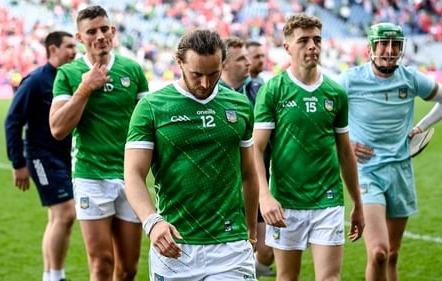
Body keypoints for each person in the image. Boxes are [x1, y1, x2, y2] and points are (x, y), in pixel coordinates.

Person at [123, 29, 259, 281]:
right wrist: (152, 222)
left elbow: (250, 174)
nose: (205, 84)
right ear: (179, 62)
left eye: (213, 74)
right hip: (174, 245)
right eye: (197, 74)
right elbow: (132, 174)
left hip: (230, 246)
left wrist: (250, 230)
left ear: (223, 64)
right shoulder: (152, 107)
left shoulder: (240, 106)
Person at [337, 22, 442, 281]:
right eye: (383, 43)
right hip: (367, 173)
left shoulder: (410, 78)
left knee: (392, 254)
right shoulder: (350, 80)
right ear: (370, 47)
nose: (389, 50)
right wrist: (345, 146)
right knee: (379, 252)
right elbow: (322, 119)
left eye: (396, 45)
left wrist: (420, 127)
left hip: (401, 172)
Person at [253, 14, 365, 281]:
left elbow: (345, 153)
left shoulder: (335, 93)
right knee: (287, 277)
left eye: (317, 39)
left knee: (330, 278)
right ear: (288, 47)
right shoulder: (273, 90)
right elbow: (255, 149)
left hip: (328, 201)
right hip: (286, 203)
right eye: (303, 40)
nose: (312, 46)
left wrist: (358, 203)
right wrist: (265, 196)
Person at [49, 5, 149, 281]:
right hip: (90, 176)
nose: (100, 35)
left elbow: (148, 125)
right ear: (80, 38)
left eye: (104, 29)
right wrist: (85, 88)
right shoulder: (69, 74)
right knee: (102, 263)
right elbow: (57, 128)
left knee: (128, 269)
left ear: (113, 32)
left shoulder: (133, 69)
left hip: (130, 177)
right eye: (91, 31)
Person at [4, 31, 77, 281]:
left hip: (65, 157)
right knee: (67, 213)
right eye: (68, 47)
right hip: (41, 156)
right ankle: (56, 277)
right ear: (53, 50)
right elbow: (13, 121)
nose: (74, 51)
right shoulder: (36, 80)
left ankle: (50, 275)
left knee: (57, 217)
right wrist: (18, 164)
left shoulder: (69, 78)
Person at [218, 37, 275, 278]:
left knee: (265, 250)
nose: (248, 62)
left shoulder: (259, 90)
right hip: (225, 187)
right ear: (225, 65)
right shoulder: (213, 95)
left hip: (257, 179)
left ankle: (252, 270)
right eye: (241, 58)